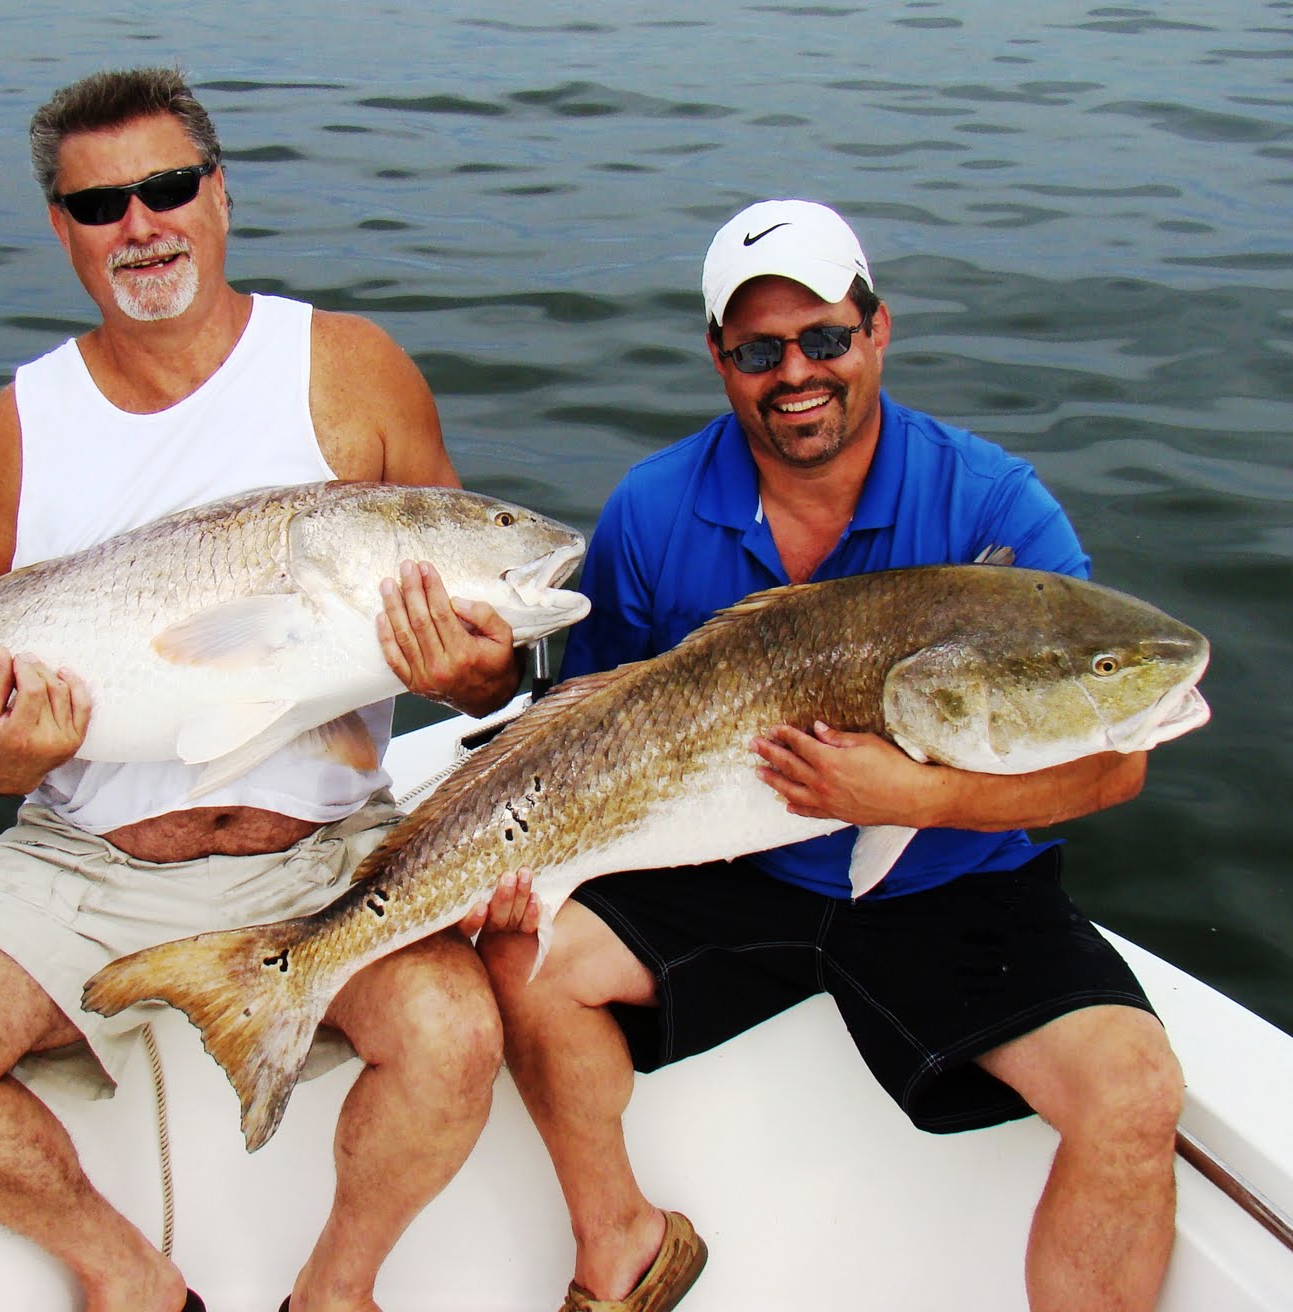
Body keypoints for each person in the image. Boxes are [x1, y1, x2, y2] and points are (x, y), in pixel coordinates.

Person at [0, 67, 527, 1312]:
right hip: (83, 861)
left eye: (165, 187)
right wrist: (5, 756)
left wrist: (480, 672)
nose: (140, 226)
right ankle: (133, 1281)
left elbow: (478, 644)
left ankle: (334, 1291)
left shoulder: (350, 368)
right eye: (99, 205)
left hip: (320, 854)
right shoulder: (18, 429)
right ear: (60, 227)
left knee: (454, 1033)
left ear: (218, 191)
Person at [475, 199, 1184, 1312]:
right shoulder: (652, 509)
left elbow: (1115, 767)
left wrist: (913, 794)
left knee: (1135, 1093)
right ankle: (623, 1246)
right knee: (525, 960)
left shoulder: (992, 506)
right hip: (726, 865)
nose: (796, 372)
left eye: (824, 337)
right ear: (720, 357)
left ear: (877, 329)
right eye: (760, 350)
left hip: (954, 879)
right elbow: (584, 726)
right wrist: (528, 857)